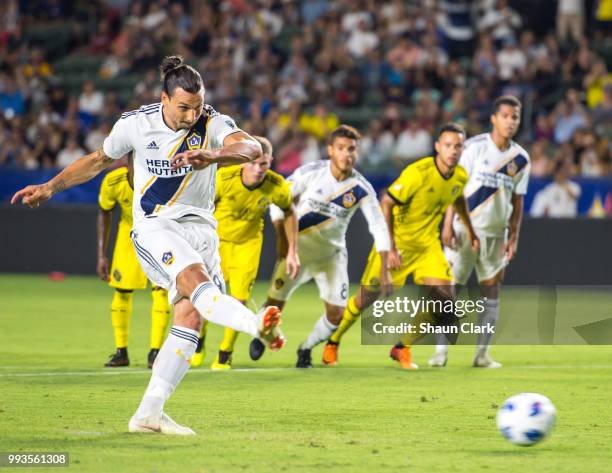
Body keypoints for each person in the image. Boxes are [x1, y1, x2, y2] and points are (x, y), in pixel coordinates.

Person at [12, 55, 285, 435]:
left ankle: (149, 413)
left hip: (202, 229)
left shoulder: (212, 122)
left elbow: (252, 148)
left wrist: (215, 154)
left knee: (190, 315)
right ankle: (256, 325)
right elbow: (96, 161)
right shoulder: (135, 125)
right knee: (195, 283)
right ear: (164, 99)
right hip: (155, 226)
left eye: (197, 106)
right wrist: (49, 187)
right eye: (183, 107)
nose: (192, 115)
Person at [323, 123, 479, 369]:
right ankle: (333, 341)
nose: (453, 150)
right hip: (399, 244)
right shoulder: (418, 173)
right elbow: (387, 202)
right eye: (448, 145)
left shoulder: (460, 175)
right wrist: (392, 248)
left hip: (427, 247)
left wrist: (470, 230)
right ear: (438, 147)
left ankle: (402, 347)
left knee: (444, 301)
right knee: (365, 298)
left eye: (458, 146)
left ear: (463, 149)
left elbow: (457, 198)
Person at [250, 125, 391, 368]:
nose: (347, 154)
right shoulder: (310, 172)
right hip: (298, 252)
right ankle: (264, 335)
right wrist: (284, 243)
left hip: (331, 257)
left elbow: (379, 226)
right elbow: (278, 201)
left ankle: (305, 348)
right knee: (273, 307)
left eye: (351, 149)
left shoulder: (361, 187)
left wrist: (385, 268)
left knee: (336, 315)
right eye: (341, 148)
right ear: (330, 150)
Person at [429, 96, 531, 369]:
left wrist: (514, 236)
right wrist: (448, 223)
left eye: (515, 117)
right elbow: (455, 187)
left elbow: (518, 201)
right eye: (506, 116)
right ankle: (440, 352)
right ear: (494, 119)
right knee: (449, 289)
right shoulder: (473, 148)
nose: (511, 122)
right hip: (464, 231)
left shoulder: (521, 159)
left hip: (496, 235)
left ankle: (482, 354)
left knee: (491, 292)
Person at [191, 135, 300, 370]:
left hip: (248, 245)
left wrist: (293, 250)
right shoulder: (222, 178)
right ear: (242, 161)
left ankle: (225, 353)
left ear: (271, 161)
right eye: (253, 162)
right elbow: (199, 207)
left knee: (239, 299)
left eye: (264, 164)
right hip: (216, 243)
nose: (258, 169)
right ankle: (199, 342)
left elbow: (289, 211)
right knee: (207, 294)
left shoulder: (277, 185)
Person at [97, 154, 171, 369]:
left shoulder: (162, 180)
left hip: (159, 234)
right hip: (128, 235)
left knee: (161, 290)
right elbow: (104, 212)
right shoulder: (113, 181)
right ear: (127, 164)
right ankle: (121, 352)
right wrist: (102, 255)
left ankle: (155, 352)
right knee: (122, 290)